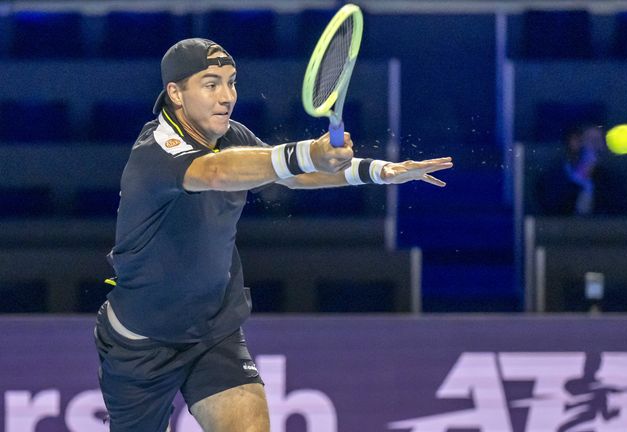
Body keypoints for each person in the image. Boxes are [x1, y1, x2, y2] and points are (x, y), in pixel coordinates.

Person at [93, 38, 452, 432]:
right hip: (141, 343)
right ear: (176, 93)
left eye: (231, 82)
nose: (226, 96)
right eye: (211, 84)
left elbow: (292, 174)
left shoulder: (234, 136)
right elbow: (216, 172)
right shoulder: (156, 151)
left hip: (213, 332)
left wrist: (377, 171)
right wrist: (306, 152)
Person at [536, 123, 627, 215]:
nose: (598, 147)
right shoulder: (551, 178)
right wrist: (580, 177)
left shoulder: (610, 180)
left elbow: (618, 215)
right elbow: (552, 211)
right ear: (574, 142)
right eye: (593, 141)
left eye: (601, 141)